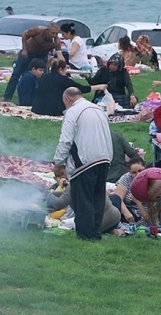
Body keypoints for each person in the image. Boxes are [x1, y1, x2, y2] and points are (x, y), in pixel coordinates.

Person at [53, 87, 114, 241]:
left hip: (84, 161)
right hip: (105, 158)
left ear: (67, 99)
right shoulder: (99, 109)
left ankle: (86, 236)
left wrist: (58, 162)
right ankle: (95, 233)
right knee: (97, 198)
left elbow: (65, 140)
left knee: (83, 200)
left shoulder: (73, 112)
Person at [45, 164, 124, 236]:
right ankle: (112, 229)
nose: (63, 177)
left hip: (99, 222)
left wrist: (45, 192)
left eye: (63, 174)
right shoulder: (90, 176)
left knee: (78, 227)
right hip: (115, 216)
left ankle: (108, 230)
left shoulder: (75, 182)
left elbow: (59, 203)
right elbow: (66, 195)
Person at [0, 22, 64, 103]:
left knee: (43, 77)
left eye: (56, 33)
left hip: (42, 56)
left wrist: (63, 65)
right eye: (53, 33)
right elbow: (24, 34)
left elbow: (59, 54)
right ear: (47, 30)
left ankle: (40, 98)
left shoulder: (56, 41)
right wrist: (24, 49)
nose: (54, 35)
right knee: (16, 74)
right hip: (28, 53)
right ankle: (7, 96)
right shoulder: (38, 30)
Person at [31, 58, 105, 116]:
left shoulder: (43, 78)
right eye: (65, 69)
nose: (66, 72)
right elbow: (81, 89)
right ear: (60, 69)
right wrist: (99, 87)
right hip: (54, 110)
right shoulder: (63, 79)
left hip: (38, 108)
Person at [110, 157, 148, 225]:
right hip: (129, 213)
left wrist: (137, 201)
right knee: (114, 198)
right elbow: (118, 198)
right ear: (130, 172)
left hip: (145, 215)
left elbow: (148, 217)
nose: (138, 175)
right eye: (134, 172)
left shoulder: (152, 180)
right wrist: (127, 213)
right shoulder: (126, 178)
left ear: (145, 168)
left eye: (140, 171)